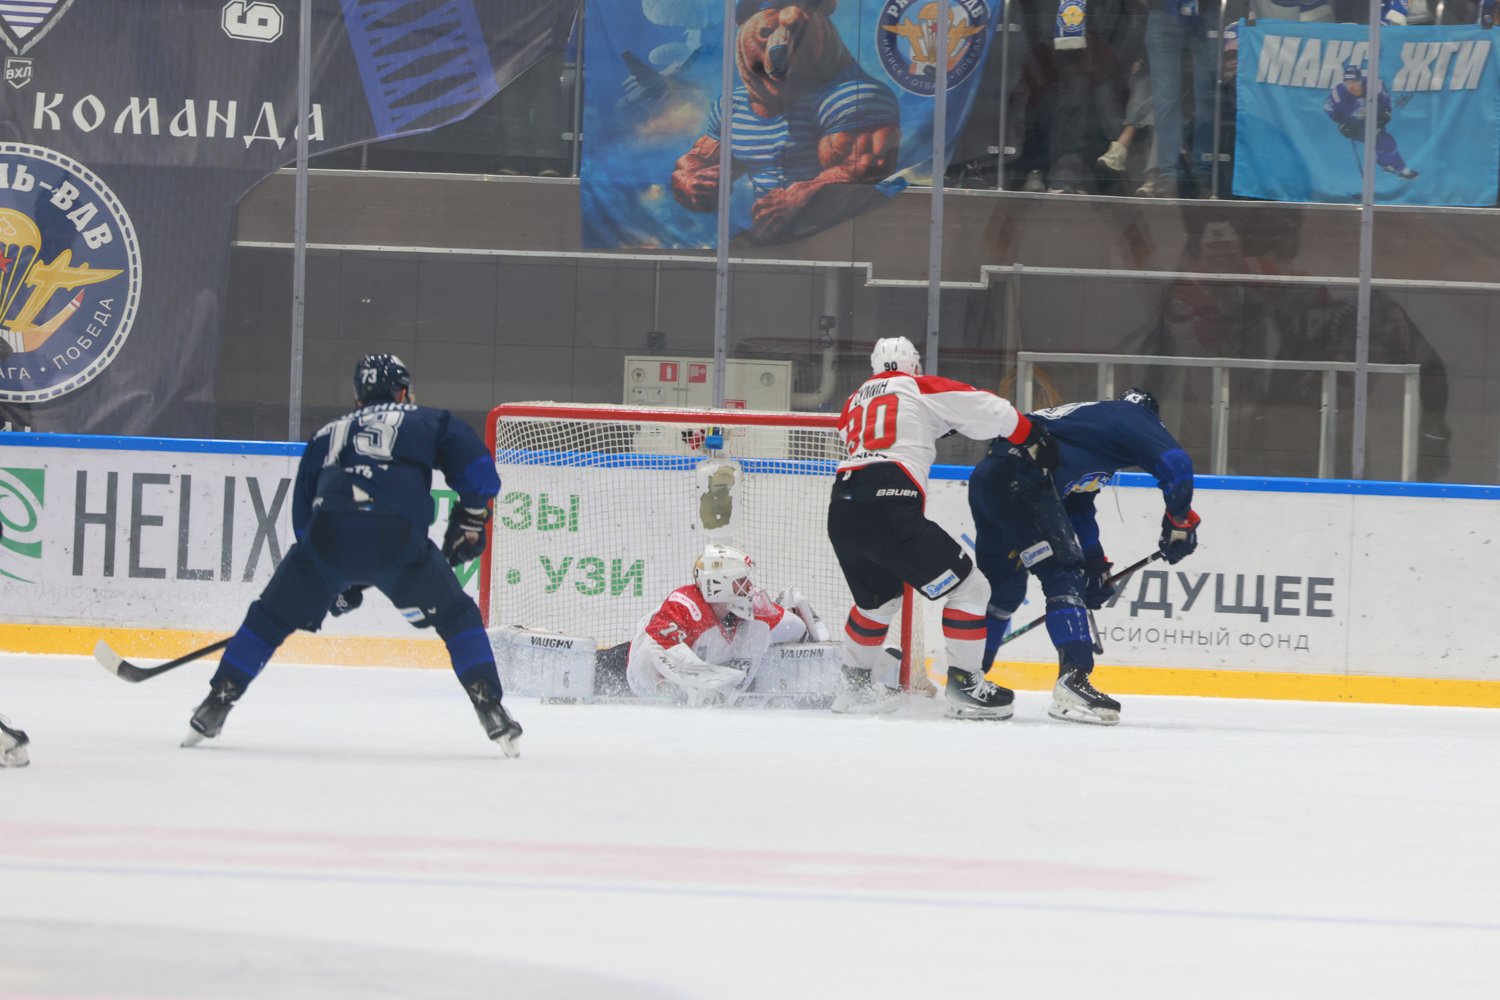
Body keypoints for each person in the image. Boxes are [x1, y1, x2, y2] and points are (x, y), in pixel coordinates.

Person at [182, 354, 522, 756]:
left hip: (328, 536)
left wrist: (334, 582)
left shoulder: (327, 433)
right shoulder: (428, 420)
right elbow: (478, 468)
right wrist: (472, 516)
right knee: (457, 616)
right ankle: (489, 705)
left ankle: (217, 701)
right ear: (403, 392)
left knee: (270, 618)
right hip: (397, 538)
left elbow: (304, 518)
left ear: (359, 399)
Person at [827, 336, 1058, 718]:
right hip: (890, 503)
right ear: (913, 364)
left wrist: (937, 423)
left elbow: (889, 432)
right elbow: (988, 407)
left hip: (843, 507)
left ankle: (853, 688)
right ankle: (966, 686)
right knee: (972, 588)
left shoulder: (853, 402)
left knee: (877, 602)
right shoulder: (917, 386)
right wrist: (1028, 434)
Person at [969, 388, 1200, 725]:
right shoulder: (1133, 414)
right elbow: (1177, 464)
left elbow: (1078, 508)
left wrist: (1095, 562)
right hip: (1025, 480)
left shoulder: (1086, 426)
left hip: (990, 479)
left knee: (1003, 591)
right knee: (1064, 575)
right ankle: (1073, 682)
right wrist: (1179, 520)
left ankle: (968, 682)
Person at [619, 543, 831, 704]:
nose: (750, 587)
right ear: (718, 585)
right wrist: (711, 683)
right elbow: (657, 658)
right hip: (633, 676)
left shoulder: (753, 613)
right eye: (742, 581)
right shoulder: (685, 606)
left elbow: (798, 627)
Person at [1324, 66, 1418, 181]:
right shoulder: (1338, 93)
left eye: (1355, 81)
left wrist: (1386, 112)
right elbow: (1328, 108)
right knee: (1387, 142)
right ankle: (1400, 169)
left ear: (1361, 80)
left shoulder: (1374, 84)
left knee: (1383, 144)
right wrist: (1341, 122)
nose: (1351, 86)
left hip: (1375, 120)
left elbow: (1386, 100)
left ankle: (1385, 164)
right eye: (1347, 83)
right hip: (1355, 126)